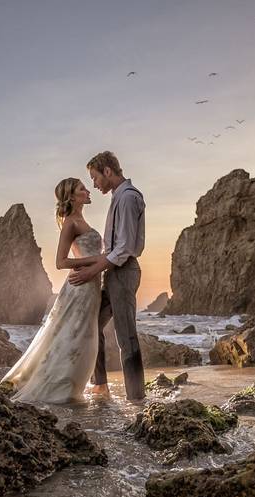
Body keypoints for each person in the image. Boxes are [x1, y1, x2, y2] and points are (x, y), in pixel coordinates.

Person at [1, 178, 107, 404]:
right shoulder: (70, 222)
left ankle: (72, 384)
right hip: (80, 285)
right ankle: (62, 388)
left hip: (91, 286)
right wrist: (97, 259)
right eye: (82, 189)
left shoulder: (81, 220)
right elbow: (60, 262)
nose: (88, 190)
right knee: (74, 334)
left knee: (83, 335)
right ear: (72, 196)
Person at [68, 151, 146, 400]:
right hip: (112, 272)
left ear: (108, 171)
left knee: (126, 336)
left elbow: (123, 248)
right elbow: (111, 247)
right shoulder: (118, 197)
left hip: (123, 271)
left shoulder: (128, 198)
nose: (93, 184)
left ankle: (136, 398)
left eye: (94, 177)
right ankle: (100, 384)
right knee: (93, 324)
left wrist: (92, 270)